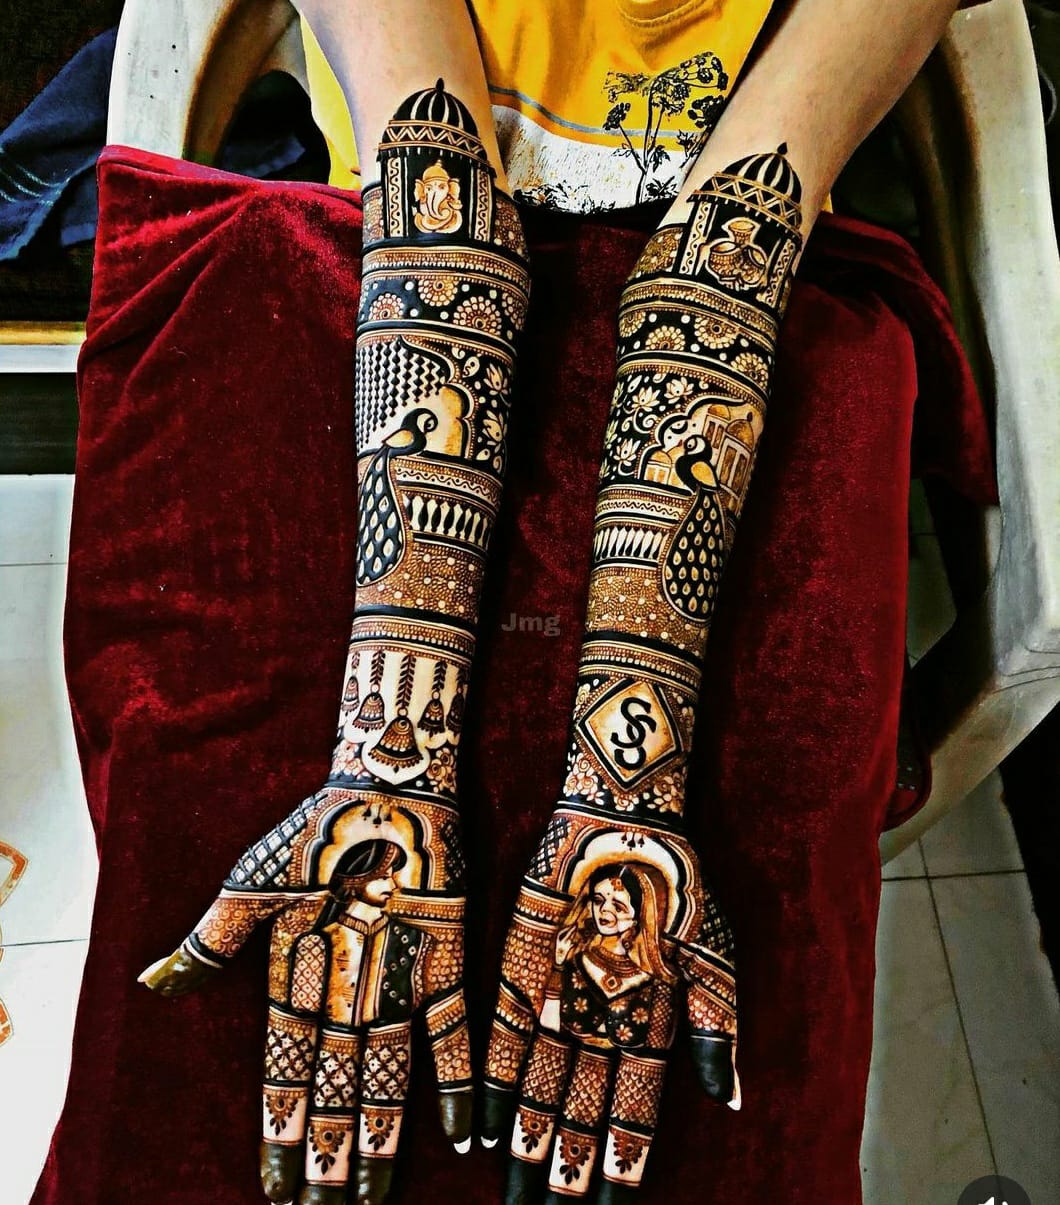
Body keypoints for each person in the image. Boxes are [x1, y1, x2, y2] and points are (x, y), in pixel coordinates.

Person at [141, 3, 976, 1202]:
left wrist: (623, 794)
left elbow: (737, 237)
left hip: (747, 273)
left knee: (779, 889)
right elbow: (434, 185)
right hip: (399, 249)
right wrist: (387, 757)